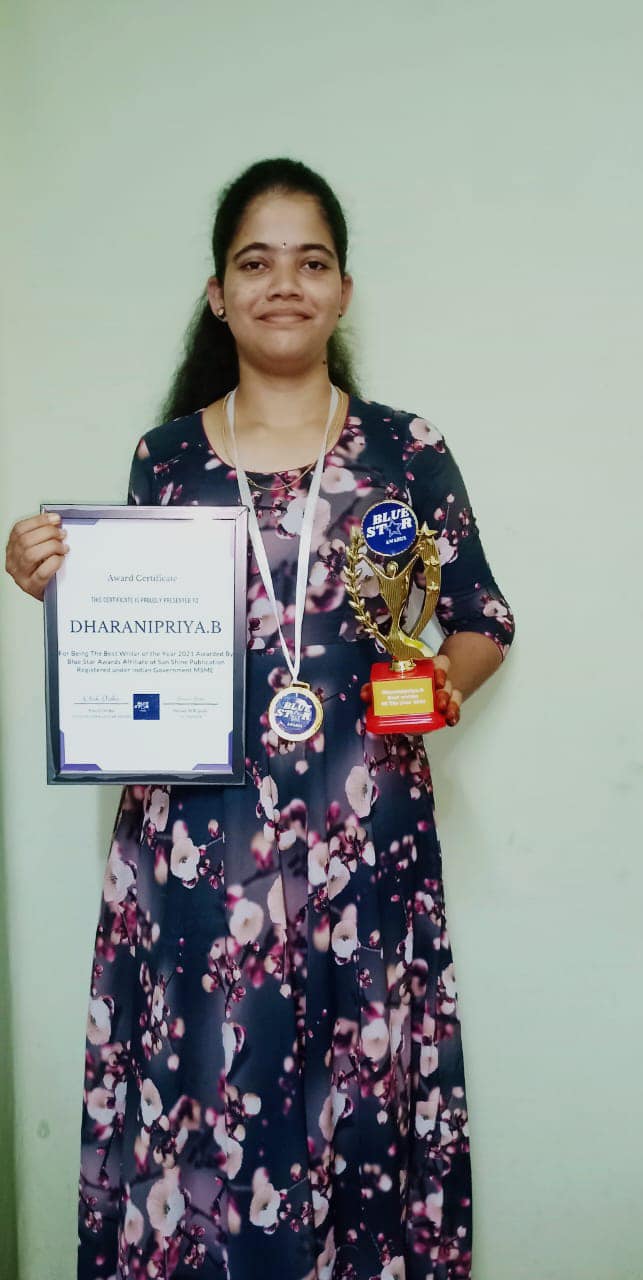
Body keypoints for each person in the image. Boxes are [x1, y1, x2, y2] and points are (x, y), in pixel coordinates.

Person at [5, 157, 515, 1280]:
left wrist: (440, 682)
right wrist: (55, 581)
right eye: (255, 262)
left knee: (357, 1115)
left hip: (363, 845)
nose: (283, 283)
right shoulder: (167, 457)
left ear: (342, 290)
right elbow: (136, 631)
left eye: (310, 261)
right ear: (217, 293)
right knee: (207, 1105)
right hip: (200, 850)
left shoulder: (406, 449)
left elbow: (482, 619)